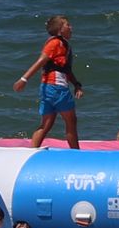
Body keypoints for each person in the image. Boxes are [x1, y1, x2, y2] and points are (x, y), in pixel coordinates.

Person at [12, 15, 83, 148]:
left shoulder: (63, 45)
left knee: (46, 124)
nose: (71, 27)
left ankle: (33, 151)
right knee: (71, 121)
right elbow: (41, 61)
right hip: (57, 88)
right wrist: (23, 79)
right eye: (68, 25)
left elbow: (65, 70)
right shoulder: (55, 43)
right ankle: (76, 153)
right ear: (60, 30)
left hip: (48, 88)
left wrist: (76, 85)